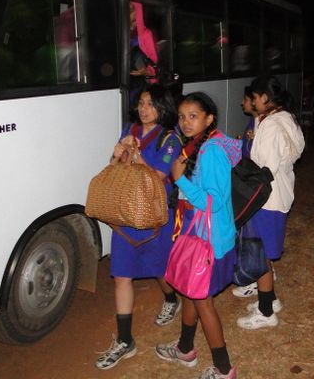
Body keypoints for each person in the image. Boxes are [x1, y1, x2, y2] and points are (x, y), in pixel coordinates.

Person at [95, 84, 182, 371]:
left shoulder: (170, 139)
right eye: (142, 103)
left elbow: (159, 176)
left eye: (151, 104)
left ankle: (171, 298)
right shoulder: (129, 129)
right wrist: (116, 154)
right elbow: (115, 168)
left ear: (163, 107)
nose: (144, 109)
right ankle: (125, 341)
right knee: (122, 274)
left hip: (155, 213)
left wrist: (137, 156)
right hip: (127, 212)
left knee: (159, 268)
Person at [156, 92, 240, 379]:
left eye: (193, 116)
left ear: (209, 118)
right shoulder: (197, 145)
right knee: (189, 292)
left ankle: (224, 369)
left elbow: (213, 201)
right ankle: (185, 348)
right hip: (199, 234)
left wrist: (179, 179)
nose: (186, 122)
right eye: (182, 117)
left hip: (209, 241)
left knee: (203, 302)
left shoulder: (211, 151)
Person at [235, 76, 305, 330]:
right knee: (263, 252)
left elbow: (264, 167)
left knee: (260, 255)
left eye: (254, 97)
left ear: (264, 97)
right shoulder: (285, 118)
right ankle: (270, 300)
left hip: (266, 199)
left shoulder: (271, 125)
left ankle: (266, 313)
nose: (252, 102)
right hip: (279, 193)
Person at [240, 85, 256, 158]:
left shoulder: (263, 124)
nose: (242, 103)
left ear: (254, 101)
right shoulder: (252, 120)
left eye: (245, 100)